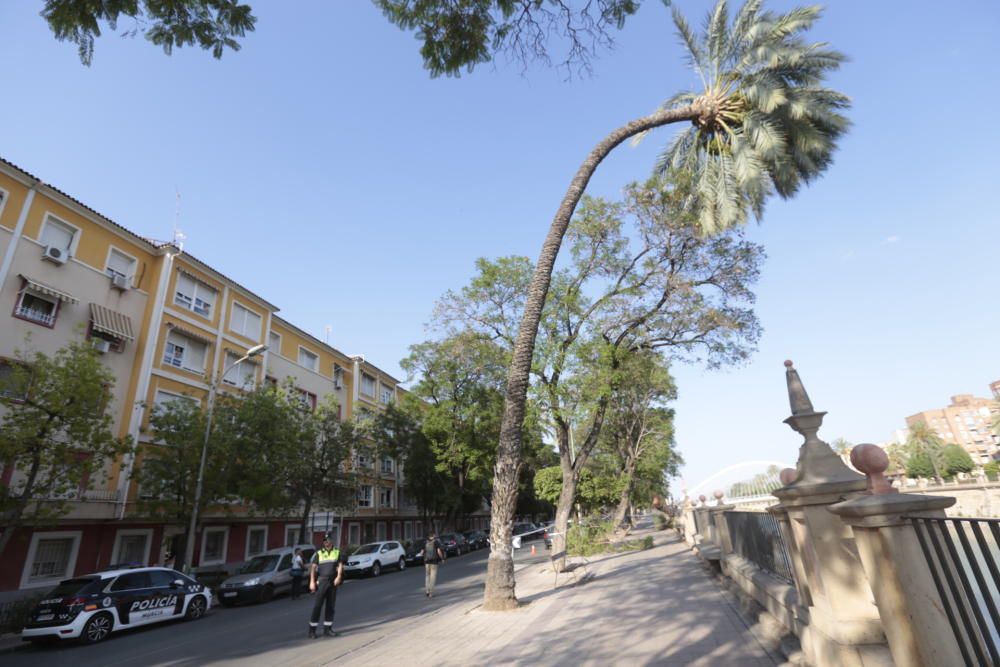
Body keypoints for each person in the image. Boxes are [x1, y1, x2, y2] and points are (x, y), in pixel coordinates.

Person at [308, 535, 344, 638]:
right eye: (324, 541)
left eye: (327, 541)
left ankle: (327, 629)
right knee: (318, 606)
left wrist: (338, 577)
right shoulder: (319, 553)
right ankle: (312, 631)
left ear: (331, 541)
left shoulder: (337, 552)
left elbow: (340, 565)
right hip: (322, 581)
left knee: (330, 606)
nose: (326, 542)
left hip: (332, 582)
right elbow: (313, 568)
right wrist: (312, 582)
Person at [422, 532, 445, 598]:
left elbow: (422, 552)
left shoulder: (425, 542)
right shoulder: (436, 542)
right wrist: (442, 558)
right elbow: (438, 551)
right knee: (433, 577)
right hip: (434, 562)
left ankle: (427, 591)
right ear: (433, 535)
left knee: (427, 576)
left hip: (427, 562)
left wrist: (424, 557)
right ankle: (431, 593)